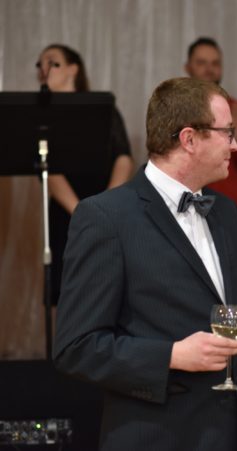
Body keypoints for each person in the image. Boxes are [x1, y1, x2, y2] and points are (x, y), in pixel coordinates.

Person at [53, 77, 237, 451]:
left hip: (236, 436)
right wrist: (171, 356)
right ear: (189, 139)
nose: (235, 145)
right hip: (158, 436)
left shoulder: (227, 213)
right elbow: (76, 347)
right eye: (227, 133)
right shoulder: (105, 217)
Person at [36, 44, 134, 305]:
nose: (43, 69)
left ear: (73, 69)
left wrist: (106, 208)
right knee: (67, 293)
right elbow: (49, 170)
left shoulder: (101, 108)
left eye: (52, 62)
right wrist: (81, 211)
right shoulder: (40, 114)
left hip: (108, 210)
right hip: (66, 214)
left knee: (109, 291)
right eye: (39, 64)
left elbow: (123, 158)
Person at [185, 37, 237, 236]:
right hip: (185, 214)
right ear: (188, 67)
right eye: (201, 63)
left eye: (215, 63)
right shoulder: (177, 111)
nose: (209, 69)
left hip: (230, 216)